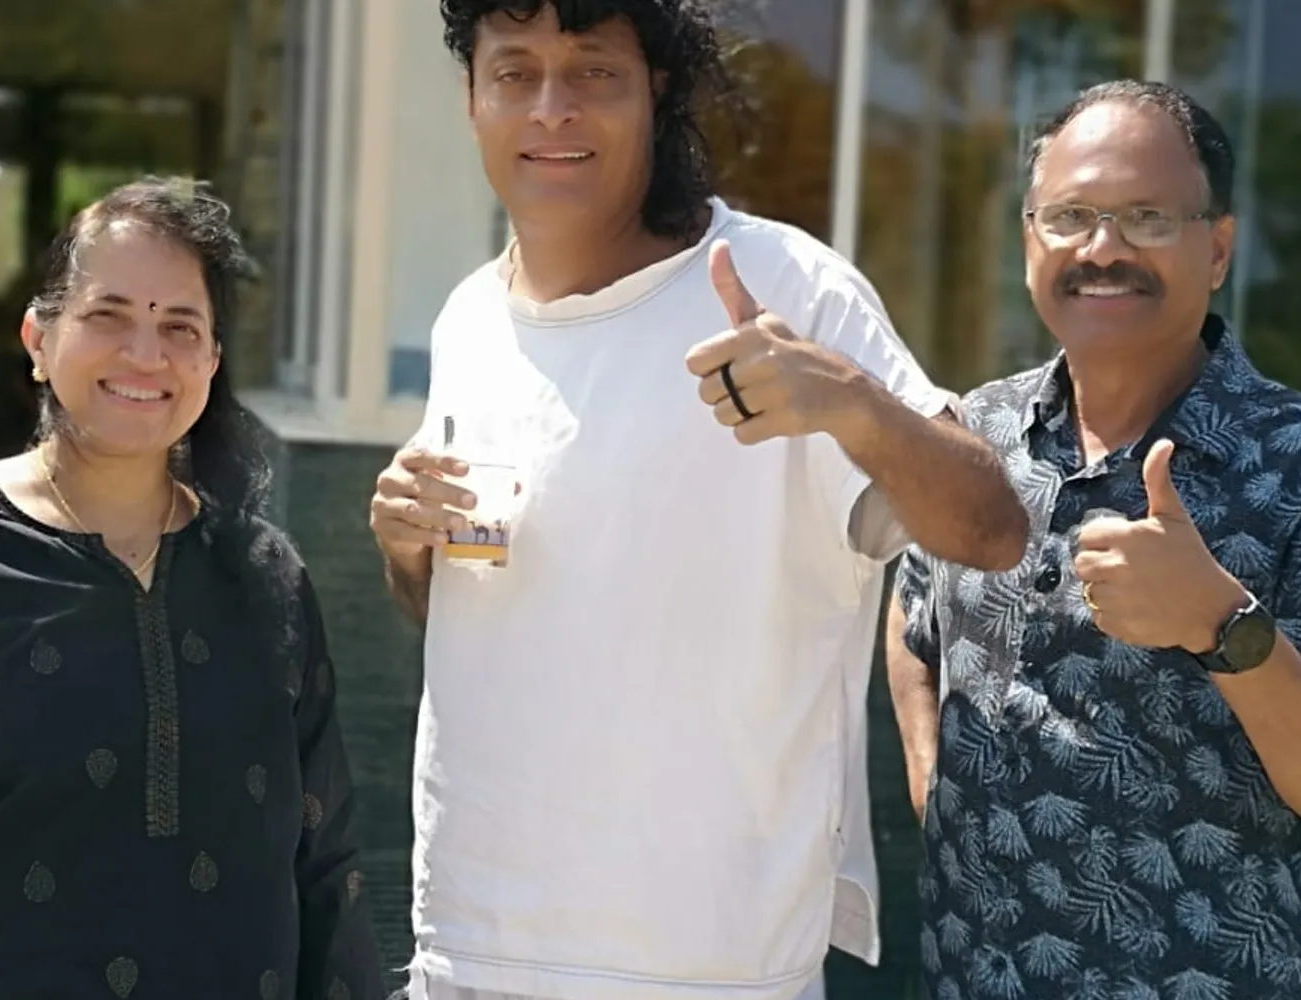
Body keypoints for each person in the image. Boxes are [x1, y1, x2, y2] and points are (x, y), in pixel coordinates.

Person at [369, 3, 1029, 1000]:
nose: (550, 109)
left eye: (592, 72)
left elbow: (992, 527)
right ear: (472, 98)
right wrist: (405, 547)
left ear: (659, 90)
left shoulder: (782, 285)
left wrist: (850, 401)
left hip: (707, 963)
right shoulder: (469, 318)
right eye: (514, 73)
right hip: (469, 944)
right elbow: (478, 616)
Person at [886, 80, 1301, 998]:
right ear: (1029, 240)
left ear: (1217, 249)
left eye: (1147, 218)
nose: (1103, 249)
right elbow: (913, 612)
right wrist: (928, 778)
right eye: (1070, 216)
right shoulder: (977, 436)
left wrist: (1223, 625)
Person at [0, 178, 385, 1000]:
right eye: (109, 315)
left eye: (179, 327)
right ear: (38, 339)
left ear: (211, 362)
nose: (146, 355)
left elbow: (326, 869)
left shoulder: (263, 574)